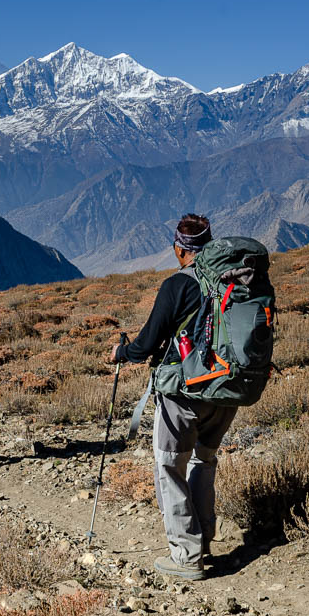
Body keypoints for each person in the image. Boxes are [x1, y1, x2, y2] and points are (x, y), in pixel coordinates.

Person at [107, 214, 235, 581]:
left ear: (180, 250)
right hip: (227, 390)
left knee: (168, 464)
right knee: (204, 460)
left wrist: (122, 353)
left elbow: (146, 343)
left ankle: (187, 556)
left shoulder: (176, 285)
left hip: (186, 392)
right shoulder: (232, 281)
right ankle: (203, 540)